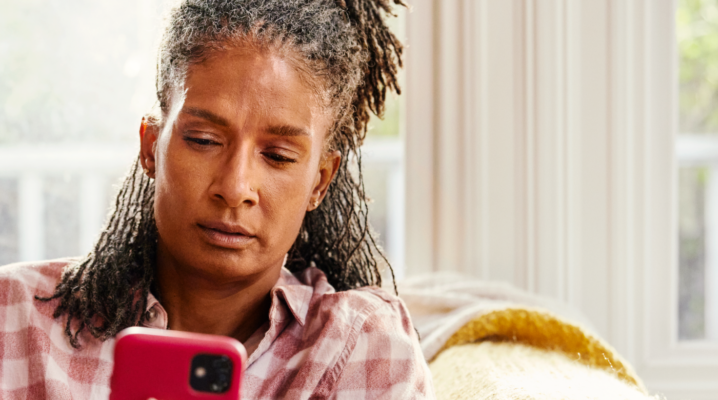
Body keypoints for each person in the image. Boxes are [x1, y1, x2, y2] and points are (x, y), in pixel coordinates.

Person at [0, 0, 434, 398]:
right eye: (204, 140)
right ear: (151, 148)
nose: (235, 186)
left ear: (319, 182)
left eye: (278, 156)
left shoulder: (359, 345)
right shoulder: (14, 316)